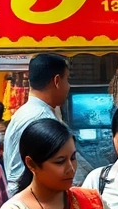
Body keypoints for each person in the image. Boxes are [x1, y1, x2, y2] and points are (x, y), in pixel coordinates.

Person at [5, 53, 91, 194]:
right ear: (57, 81)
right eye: (67, 80)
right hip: (36, 199)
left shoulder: (24, 113)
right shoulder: (42, 118)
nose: (68, 86)